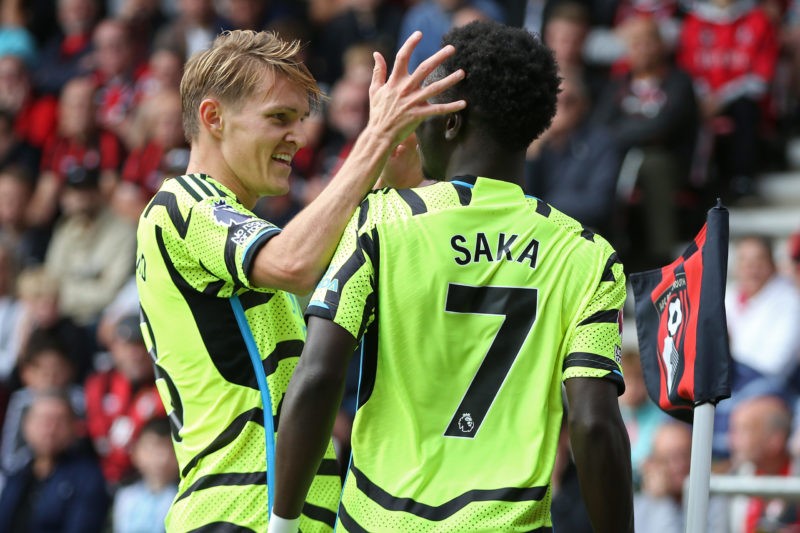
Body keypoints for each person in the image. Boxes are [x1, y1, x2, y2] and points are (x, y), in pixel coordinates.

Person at [271, 20, 633, 533]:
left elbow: (318, 376)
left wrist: (283, 523)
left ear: (449, 123)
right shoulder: (587, 255)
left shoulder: (382, 223)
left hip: (379, 520)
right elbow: (595, 424)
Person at [135, 28, 466, 532]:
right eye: (278, 118)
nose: (298, 135)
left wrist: (392, 152)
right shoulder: (181, 203)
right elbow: (293, 263)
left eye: (301, 119)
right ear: (213, 117)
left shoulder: (247, 237)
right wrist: (374, 138)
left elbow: (353, 232)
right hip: (234, 514)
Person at [0, 389, 110, 532]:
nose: (50, 429)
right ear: (26, 425)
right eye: (43, 420)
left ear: (75, 427)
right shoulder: (15, 474)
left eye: (59, 421)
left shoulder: (88, 478)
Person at [634, 421, 728, 532]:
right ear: (654, 463)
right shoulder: (638, 507)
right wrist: (661, 500)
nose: (679, 465)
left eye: (685, 455)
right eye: (669, 458)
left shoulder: (712, 495)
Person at [112, 416, 179, 533]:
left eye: (166, 448)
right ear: (135, 452)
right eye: (152, 449)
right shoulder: (126, 496)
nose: (160, 458)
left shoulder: (182, 497)